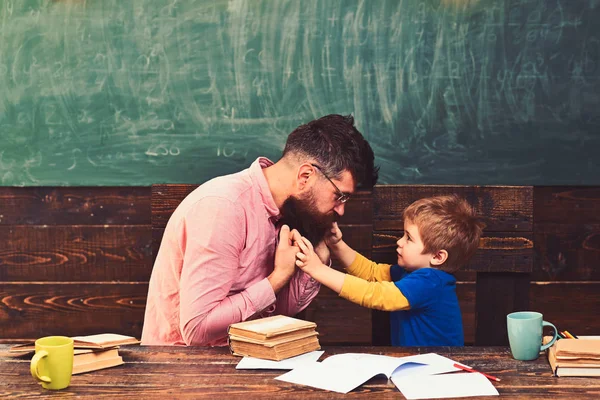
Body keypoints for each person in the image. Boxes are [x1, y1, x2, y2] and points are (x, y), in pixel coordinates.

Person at [141, 114, 378, 346]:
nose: (341, 210)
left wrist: (318, 254)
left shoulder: (293, 209)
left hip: (246, 360)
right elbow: (198, 330)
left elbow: (280, 311)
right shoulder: (223, 207)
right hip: (181, 368)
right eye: (340, 196)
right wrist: (277, 278)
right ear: (305, 176)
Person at [295, 194, 484, 346]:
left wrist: (317, 269)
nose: (399, 242)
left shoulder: (430, 282)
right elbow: (371, 272)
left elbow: (375, 294)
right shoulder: (411, 274)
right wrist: (337, 245)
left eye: (409, 238)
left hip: (438, 369)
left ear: (437, 257)